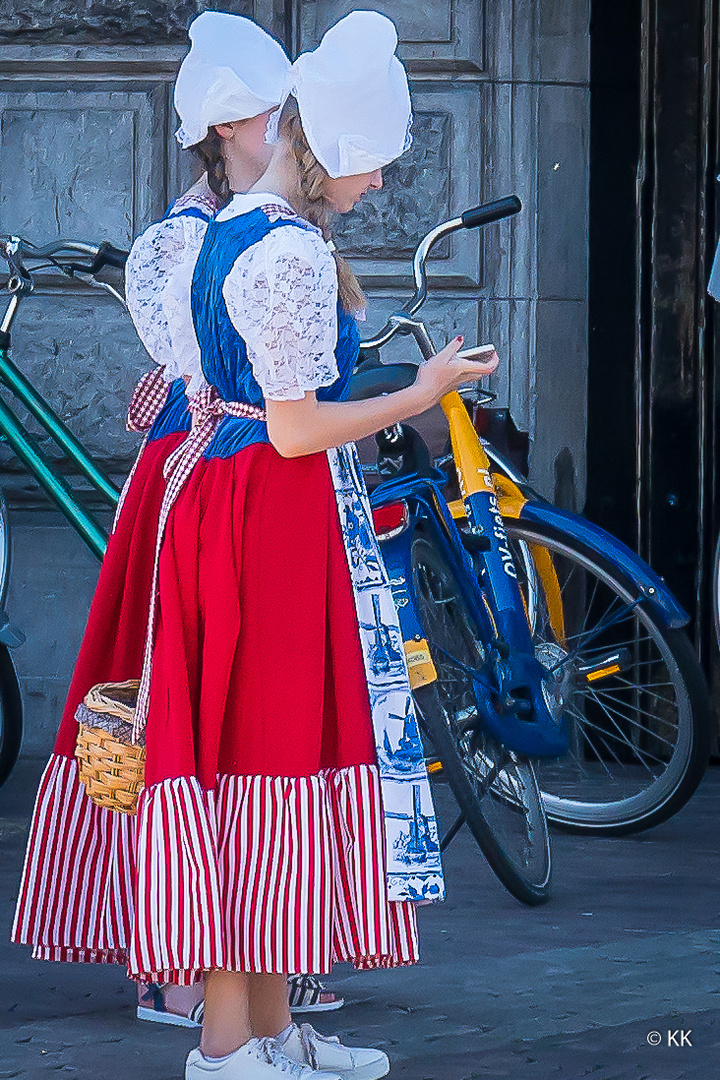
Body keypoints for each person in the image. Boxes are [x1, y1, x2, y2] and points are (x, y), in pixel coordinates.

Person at [12, 11, 500, 1079]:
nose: (376, 188)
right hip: (260, 518)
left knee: (268, 760)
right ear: (324, 155)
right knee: (255, 758)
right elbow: (290, 425)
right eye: (369, 169)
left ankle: (270, 1029)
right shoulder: (279, 249)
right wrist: (418, 394)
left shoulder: (235, 229)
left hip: (247, 512)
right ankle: (228, 1045)